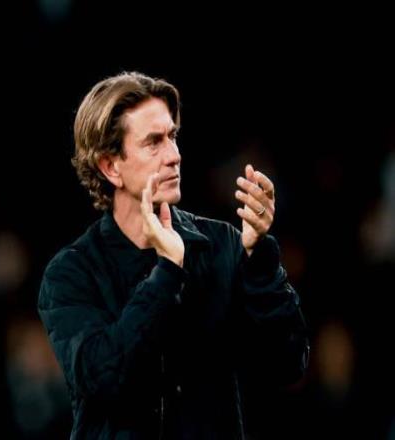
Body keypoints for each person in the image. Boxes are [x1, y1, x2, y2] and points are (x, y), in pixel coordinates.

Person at [38, 71, 309, 439]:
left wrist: (258, 258)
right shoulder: (71, 272)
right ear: (110, 166)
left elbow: (287, 365)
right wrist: (167, 273)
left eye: (173, 137)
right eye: (154, 142)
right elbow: (102, 381)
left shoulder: (221, 245)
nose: (174, 156)